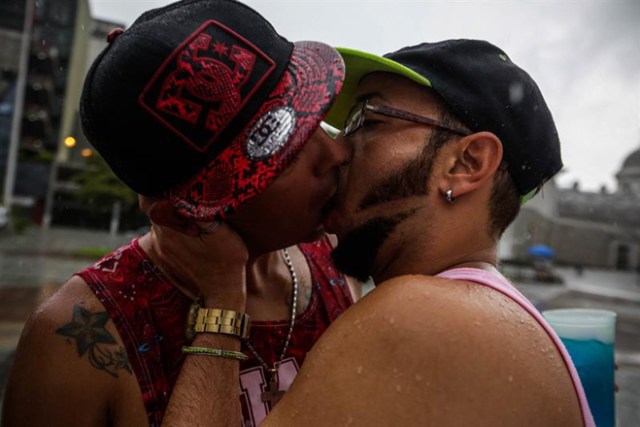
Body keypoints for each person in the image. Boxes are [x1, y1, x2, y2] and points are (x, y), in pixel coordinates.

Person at [1, 1, 359, 426]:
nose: (336, 152)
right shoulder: (77, 337)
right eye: (286, 149)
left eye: (316, 119)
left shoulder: (333, 261)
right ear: (185, 217)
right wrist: (222, 303)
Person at [259, 40, 596, 426]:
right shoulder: (490, 311)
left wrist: (217, 292)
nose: (336, 150)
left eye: (367, 121)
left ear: (467, 163)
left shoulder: (419, 314)